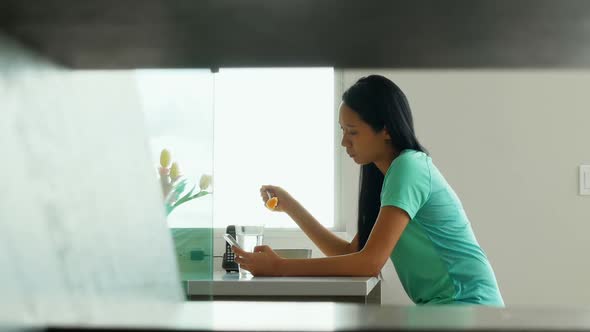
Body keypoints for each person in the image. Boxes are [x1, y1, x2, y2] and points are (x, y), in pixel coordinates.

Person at [232, 75, 504, 306]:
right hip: (447, 308)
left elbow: (368, 263)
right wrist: (290, 206)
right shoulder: (389, 176)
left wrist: (279, 268)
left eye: (352, 132)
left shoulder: (409, 167)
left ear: (385, 130)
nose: (344, 142)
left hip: (467, 305)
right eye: (342, 131)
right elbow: (352, 254)